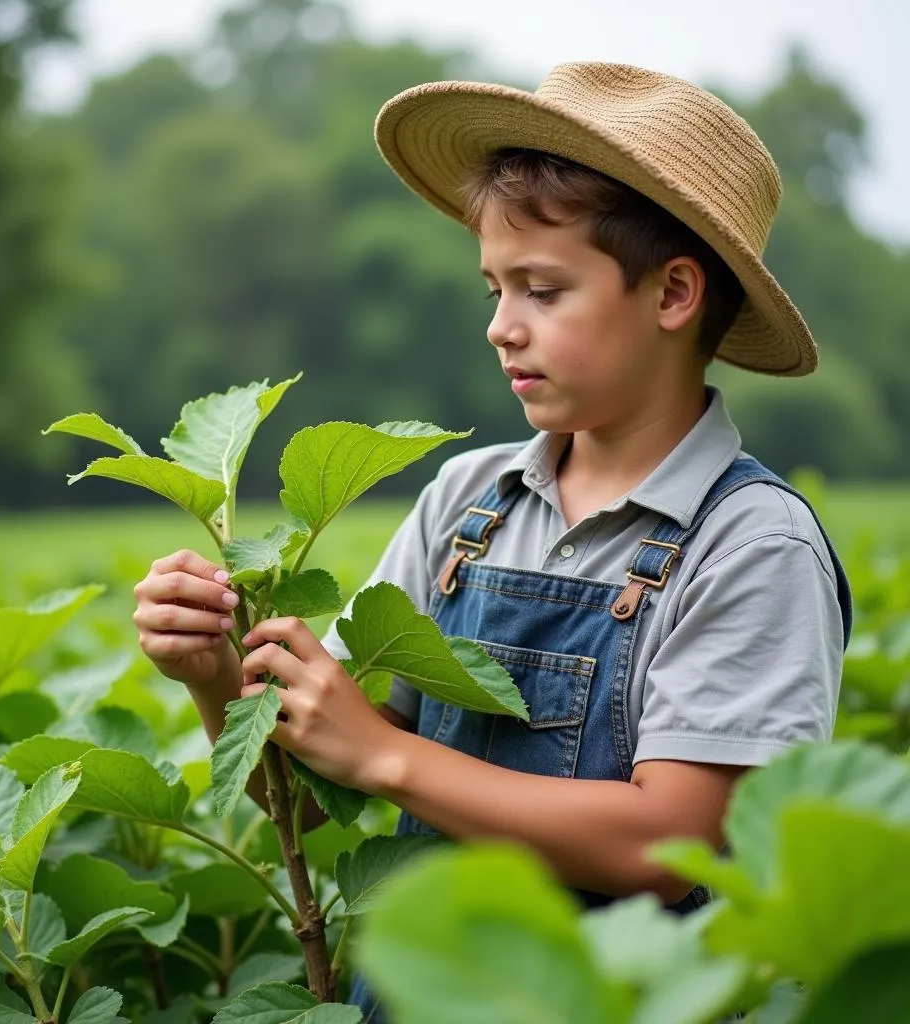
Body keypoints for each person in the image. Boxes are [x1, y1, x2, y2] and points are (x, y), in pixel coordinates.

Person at [131, 62, 853, 1022]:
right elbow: (310, 803)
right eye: (493, 290)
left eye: (542, 291)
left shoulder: (752, 545)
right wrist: (214, 674)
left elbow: (668, 841)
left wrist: (386, 759)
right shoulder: (470, 500)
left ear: (675, 293)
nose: (501, 328)